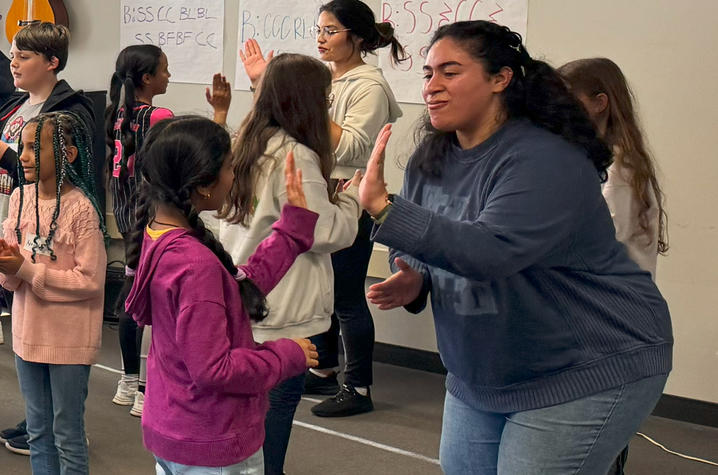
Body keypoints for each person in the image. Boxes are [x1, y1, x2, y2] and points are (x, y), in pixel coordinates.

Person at [359, 21, 673, 474]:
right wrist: (414, 274)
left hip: (586, 367)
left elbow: (491, 251)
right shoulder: (432, 159)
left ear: (500, 79)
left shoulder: (545, 159)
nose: (432, 86)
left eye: (451, 72)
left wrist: (386, 212)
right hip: (483, 376)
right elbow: (427, 236)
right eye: (428, 74)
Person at [124, 115, 319, 474]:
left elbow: (237, 285)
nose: (234, 176)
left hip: (177, 427)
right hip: (211, 441)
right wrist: (286, 354)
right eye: (230, 167)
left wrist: (292, 230)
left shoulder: (159, 236)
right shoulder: (195, 264)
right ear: (203, 186)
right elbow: (216, 370)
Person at [240, 0, 404, 417]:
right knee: (320, 286)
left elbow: (351, 147)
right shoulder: (330, 78)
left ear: (358, 37)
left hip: (348, 193)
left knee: (347, 297)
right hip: (317, 192)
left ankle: (359, 385)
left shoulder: (369, 85)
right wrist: (274, 88)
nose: (321, 38)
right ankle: (325, 367)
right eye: (319, 29)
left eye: (331, 30)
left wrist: (303, 100)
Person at [221, 53, 360, 475]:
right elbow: (322, 231)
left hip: (248, 291)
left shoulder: (246, 141)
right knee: (275, 413)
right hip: (285, 305)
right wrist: (354, 197)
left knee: (249, 413)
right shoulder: (296, 154)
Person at [106, 44, 231, 417]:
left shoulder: (114, 113)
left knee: (134, 294)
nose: (169, 75)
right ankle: (145, 388)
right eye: (164, 70)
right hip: (153, 218)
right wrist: (220, 115)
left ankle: (128, 380)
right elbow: (191, 160)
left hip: (127, 216)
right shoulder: (159, 116)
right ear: (147, 78)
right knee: (156, 305)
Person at [558, 57, 669, 475]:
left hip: (613, 315)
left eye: (569, 101)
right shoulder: (589, 159)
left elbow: (600, 246)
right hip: (598, 310)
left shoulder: (618, 169)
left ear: (600, 103)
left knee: (595, 440)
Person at [0, 21, 95, 456]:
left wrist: (4, 156)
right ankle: (37, 423)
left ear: (52, 62)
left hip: (55, 236)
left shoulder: (69, 110)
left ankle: (59, 427)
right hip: (20, 220)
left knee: (64, 422)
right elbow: (22, 174)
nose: (14, 62)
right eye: (13, 54)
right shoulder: (21, 106)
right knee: (25, 323)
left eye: (24, 55)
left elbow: (63, 178)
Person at [0, 111, 107, 473]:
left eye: (35, 148)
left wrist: (26, 269)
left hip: (68, 341)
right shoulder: (19, 198)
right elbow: (12, 280)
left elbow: (91, 281)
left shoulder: (82, 209)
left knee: (67, 434)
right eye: (23, 147)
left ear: (69, 154)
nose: (24, 156)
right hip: (27, 335)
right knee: (38, 431)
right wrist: (9, 268)